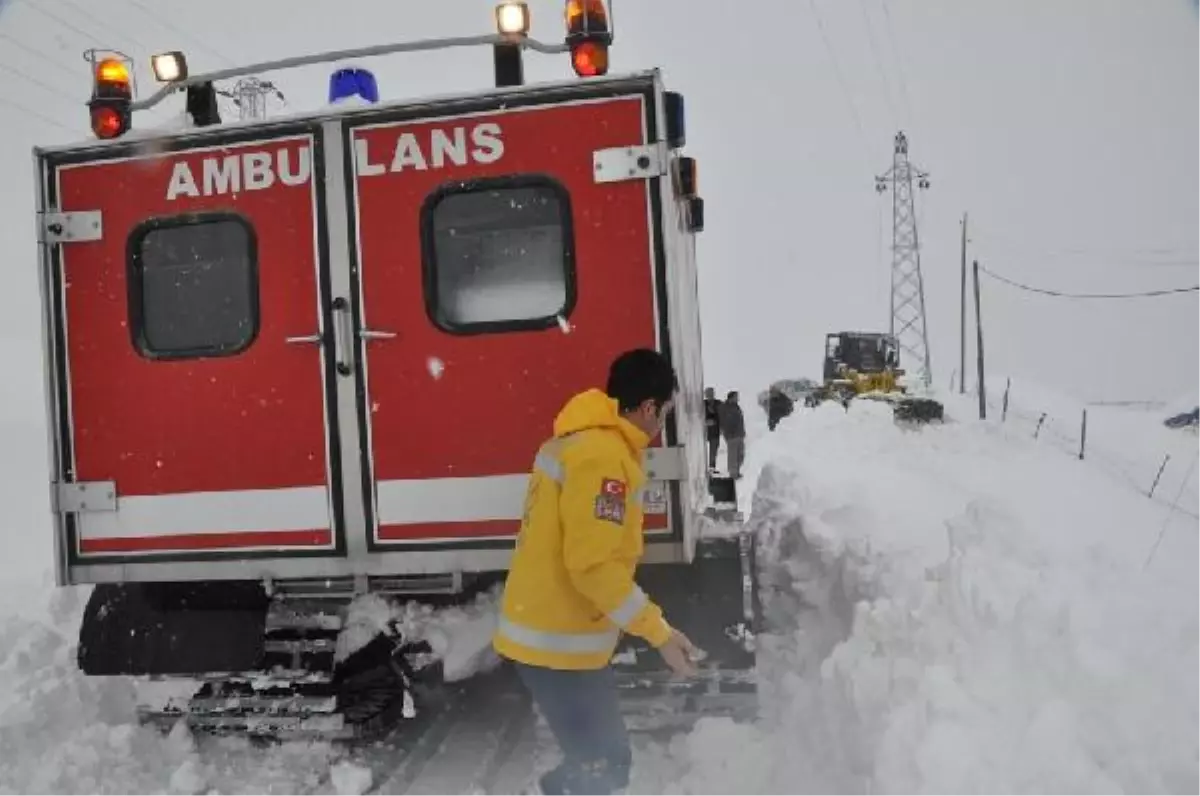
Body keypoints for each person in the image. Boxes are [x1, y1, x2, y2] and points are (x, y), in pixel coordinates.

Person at [493, 348, 703, 796]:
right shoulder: (602, 458)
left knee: (598, 762)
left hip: (558, 639)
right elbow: (592, 567)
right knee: (603, 764)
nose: (661, 424)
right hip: (556, 647)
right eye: (664, 412)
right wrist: (659, 635)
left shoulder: (577, 443)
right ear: (648, 407)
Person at [720, 390, 745, 479]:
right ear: (731, 397)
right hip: (731, 435)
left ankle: (737, 471)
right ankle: (733, 474)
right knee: (733, 455)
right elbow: (723, 421)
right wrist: (727, 432)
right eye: (736, 397)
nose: (737, 398)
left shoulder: (736, 407)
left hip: (739, 434)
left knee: (740, 455)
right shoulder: (725, 407)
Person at [703, 387, 722, 471]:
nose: (710, 395)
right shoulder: (702, 404)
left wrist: (715, 421)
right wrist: (705, 422)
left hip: (715, 431)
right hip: (704, 432)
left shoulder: (719, 403)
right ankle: (703, 467)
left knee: (714, 450)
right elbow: (697, 416)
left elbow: (723, 416)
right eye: (708, 393)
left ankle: (712, 467)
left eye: (711, 393)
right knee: (703, 450)